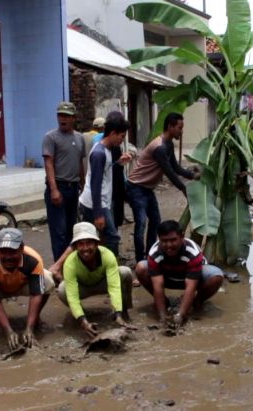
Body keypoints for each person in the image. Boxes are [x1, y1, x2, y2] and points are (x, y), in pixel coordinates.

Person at [126, 113, 201, 262]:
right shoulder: (159, 147)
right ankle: (140, 260)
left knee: (155, 222)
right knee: (141, 224)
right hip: (136, 187)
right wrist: (183, 188)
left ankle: (150, 256)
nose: (181, 131)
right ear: (170, 127)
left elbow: (176, 167)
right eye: (179, 128)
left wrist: (192, 176)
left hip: (147, 188)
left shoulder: (168, 145)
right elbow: (170, 172)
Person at [0, 228, 55, 349]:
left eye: (12, 252)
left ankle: (35, 318)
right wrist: (8, 331)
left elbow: (36, 295)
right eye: (3, 252)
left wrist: (29, 329)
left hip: (23, 284)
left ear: (22, 248)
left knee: (47, 278)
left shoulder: (33, 259)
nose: (8, 257)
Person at [135, 220, 223, 326]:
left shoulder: (193, 252)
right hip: (166, 277)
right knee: (141, 267)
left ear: (182, 237)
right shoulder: (154, 253)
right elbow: (157, 287)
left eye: (173, 240)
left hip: (192, 278)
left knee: (216, 276)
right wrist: (163, 317)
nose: (169, 245)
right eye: (164, 241)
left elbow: (191, 287)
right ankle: (164, 302)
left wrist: (180, 316)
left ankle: (197, 301)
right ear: (159, 239)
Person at [58, 222, 136, 338]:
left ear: (96, 243)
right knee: (62, 289)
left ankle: (123, 312)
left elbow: (114, 287)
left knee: (125, 272)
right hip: (83, 288)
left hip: (103, 283)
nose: (85, 248)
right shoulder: (70, 263)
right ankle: (82, 315)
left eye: (89, 243)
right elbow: (72, 296)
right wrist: (83, 321)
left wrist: (117, 313)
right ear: (75, 247)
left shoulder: (107, 255)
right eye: (80, 244)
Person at [79, 115, 132, 256]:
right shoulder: (99, 153)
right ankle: (112, 269)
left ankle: (100, 268)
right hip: (95, 203)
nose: (122, 140)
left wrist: (118, 163)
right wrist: (98, 214)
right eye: (121, 136)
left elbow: (104, 172)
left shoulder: (107, 149)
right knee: (112, 238)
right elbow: (95, 184)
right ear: (113, 133)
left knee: (95, 239)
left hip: (101, 202)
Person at [42, 101, 86, 261]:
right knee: (58, 231)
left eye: (67, 115)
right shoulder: (51, 137)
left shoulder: (80, 138)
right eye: (60, 115)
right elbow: (48, 163)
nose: (63, 119)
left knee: (71, 230)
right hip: (58, 187)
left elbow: (79, 162)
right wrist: (54, 189)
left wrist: (83, 183)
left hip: (73, 188)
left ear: (74, 118)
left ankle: (70, 264)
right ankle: (58, 269)